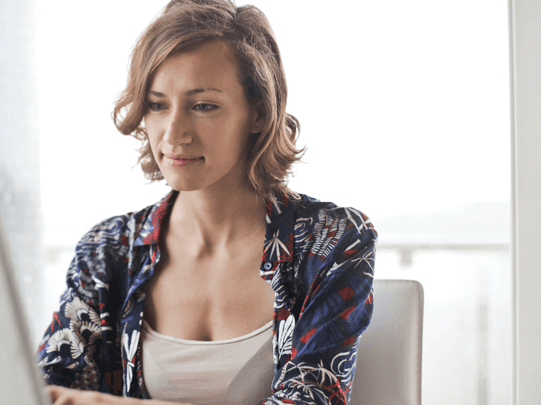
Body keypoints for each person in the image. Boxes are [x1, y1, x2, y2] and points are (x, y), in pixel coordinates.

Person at [36, 0, 377, 404]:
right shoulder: (109, 251)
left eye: (203, 106)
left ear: (259, 113)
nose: (173, 133)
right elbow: (41, 392)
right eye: (157, 104)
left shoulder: (332, 241)